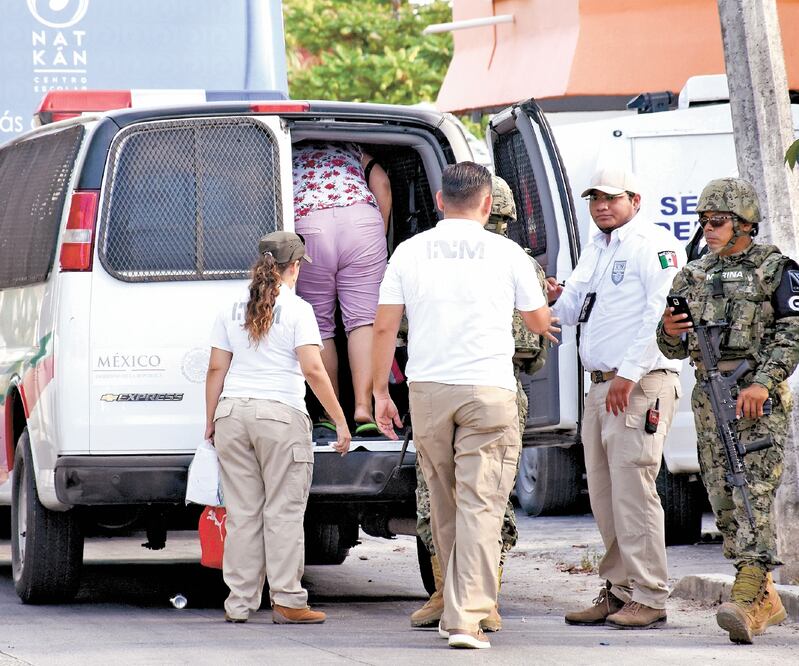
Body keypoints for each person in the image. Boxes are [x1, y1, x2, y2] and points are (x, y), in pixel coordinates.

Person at [371, 162, 558, 649]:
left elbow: (385, 327)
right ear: (488, 204)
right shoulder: (508, 252)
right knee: (483, 502)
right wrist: (544, 317)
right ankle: (466, 619)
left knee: (445, 502)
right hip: (489, 390)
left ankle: (453, 604)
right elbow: (537, 320)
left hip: (428, 391)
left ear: (439, 201)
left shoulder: (409, 251)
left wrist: (379, 393)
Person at [657, 177, 799, 644]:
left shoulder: (775, 269)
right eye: (704, 221)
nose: (709, 229)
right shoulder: (692, 274)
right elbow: (671, 347)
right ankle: (763, 595)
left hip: (756, 399)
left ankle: (750, 593)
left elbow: (793, 333)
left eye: (717, 221)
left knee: (752, 491)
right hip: (710, 400)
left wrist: (763, 382)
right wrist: (669, 329)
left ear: (744, 223)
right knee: (722, 497)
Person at [549, 168, 685, 630]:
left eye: (611, 198)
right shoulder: (598, 247)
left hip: (639, 383)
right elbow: (571, 308)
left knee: (634, 493)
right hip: (603, 385)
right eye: (595, 199)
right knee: (606, 497)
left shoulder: (653, 243)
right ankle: (620, 590)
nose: (601, 206)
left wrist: (629, 373)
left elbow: (659, 313)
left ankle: (650, 595)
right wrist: (550, 298)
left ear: (635, 200)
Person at [205, 231, 351, 625]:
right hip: (280, 417)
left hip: (232, 414)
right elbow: (313, 369)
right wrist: (339, 420)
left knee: (242, 513)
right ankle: (286, 599)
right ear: (295, 267)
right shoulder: (299, 309)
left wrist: (211, 419)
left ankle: (239, 603)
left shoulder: (230, 306)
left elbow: (216, 368)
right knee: (283, 513)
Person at [292, 141, 390, 437]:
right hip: (362, 222)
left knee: (318, 325)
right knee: (363, 321)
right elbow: (382, 184)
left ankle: (330, 414)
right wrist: (381, 234)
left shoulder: (283, 149)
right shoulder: (352, 148)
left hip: (308, 223)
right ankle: (364, 408)